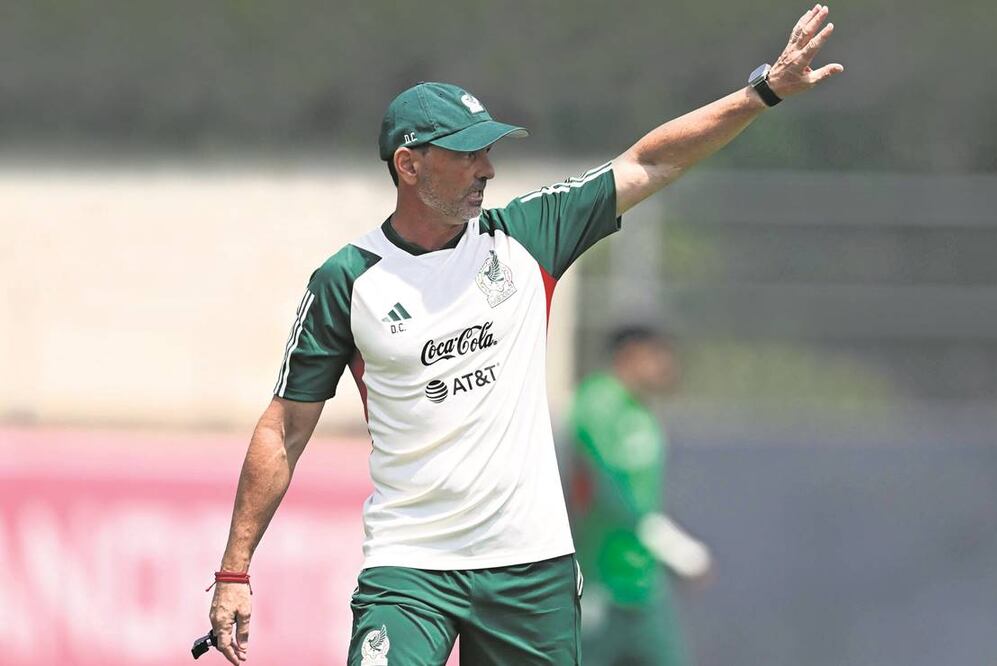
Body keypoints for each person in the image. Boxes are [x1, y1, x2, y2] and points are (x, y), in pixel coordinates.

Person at [207, 5, 842, 665]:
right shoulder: (346, 280)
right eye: (465, 152)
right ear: (409, 165)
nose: (486, 167)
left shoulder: (526, 236)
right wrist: (233, 571)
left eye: (489, 150)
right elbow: (283, 428)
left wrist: (761, 92)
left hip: (530, 568)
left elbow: (649, 163)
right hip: (409, 568)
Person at [568, 326, 711, 666]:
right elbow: (609, 491)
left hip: (645, 587)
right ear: (631, 353)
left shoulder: (644, 413)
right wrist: (672, 545)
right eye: (657, 354)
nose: (666, 365)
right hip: (600, 581)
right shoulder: (597, 403)